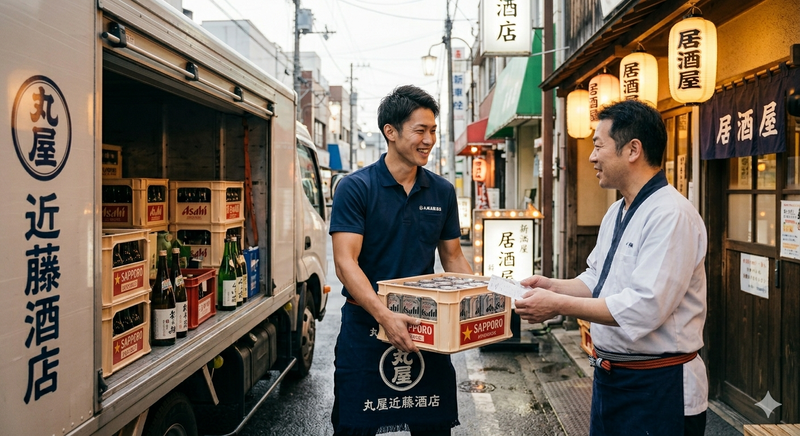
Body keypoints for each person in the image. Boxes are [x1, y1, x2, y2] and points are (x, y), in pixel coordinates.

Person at [515, 99, 708, 436]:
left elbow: (645, 306)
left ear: (633, 150)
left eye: (598, 145)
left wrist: (556, 305)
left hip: (661, 386)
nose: (592, 157)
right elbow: (597, 279)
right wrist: (552, 286)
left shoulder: (671, 215)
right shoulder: (617, 210)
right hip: (612, 377)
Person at [329, 85, 472, 436]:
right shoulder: (356, 187)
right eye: (420, 130)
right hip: (366, 327)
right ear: (390, 133)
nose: (429, 139)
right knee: (355, 426)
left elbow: (452, 256)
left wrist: (484, 302)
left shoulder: (441, 191)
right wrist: (385, 316)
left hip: (427, 327)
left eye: (433, 131)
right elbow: (346, 263)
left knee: (433, 425)